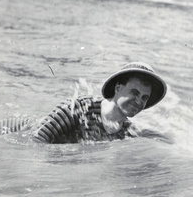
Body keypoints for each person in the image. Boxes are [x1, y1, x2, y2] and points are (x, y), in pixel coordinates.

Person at [32, 61, 168, 144]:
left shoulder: (126, 133)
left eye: (144, 97)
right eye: (134, 93)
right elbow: (36, 141)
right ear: (118, 88)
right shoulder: (79, 108)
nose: (138, 101)